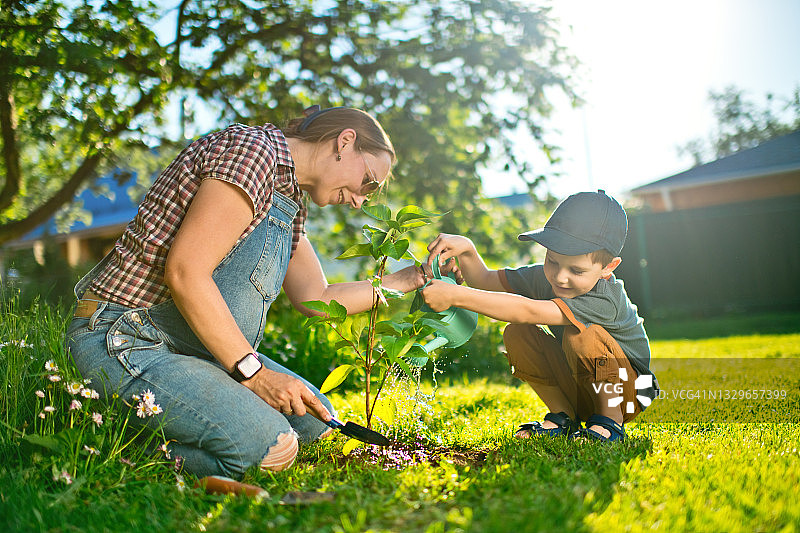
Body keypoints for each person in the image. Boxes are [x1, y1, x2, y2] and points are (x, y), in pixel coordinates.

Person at [66, 106, 428, 477]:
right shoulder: (251, 153)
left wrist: (404, 281)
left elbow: (315, 296)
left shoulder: (289, 197)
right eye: (368, 182)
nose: (361, 200)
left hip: (190, 345)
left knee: (315, 424)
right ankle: (115, 442)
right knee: (270, 446)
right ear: (345, 141)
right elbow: (185, 272)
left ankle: (158, 429)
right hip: (125, 336)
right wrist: (255, 375)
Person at [421, 190, 658, 442]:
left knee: (581, 336)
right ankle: (563, 417)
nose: (559, 276)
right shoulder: (545, 278)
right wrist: (467, 250)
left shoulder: (605, 298)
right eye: (553, 261)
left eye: (576, 270)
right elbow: (485, 280)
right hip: (582, 386)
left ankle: (610, 423)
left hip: (630, 392)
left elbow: (529, 310)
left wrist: (456, 295)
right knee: (517, 332)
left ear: (607, 268)